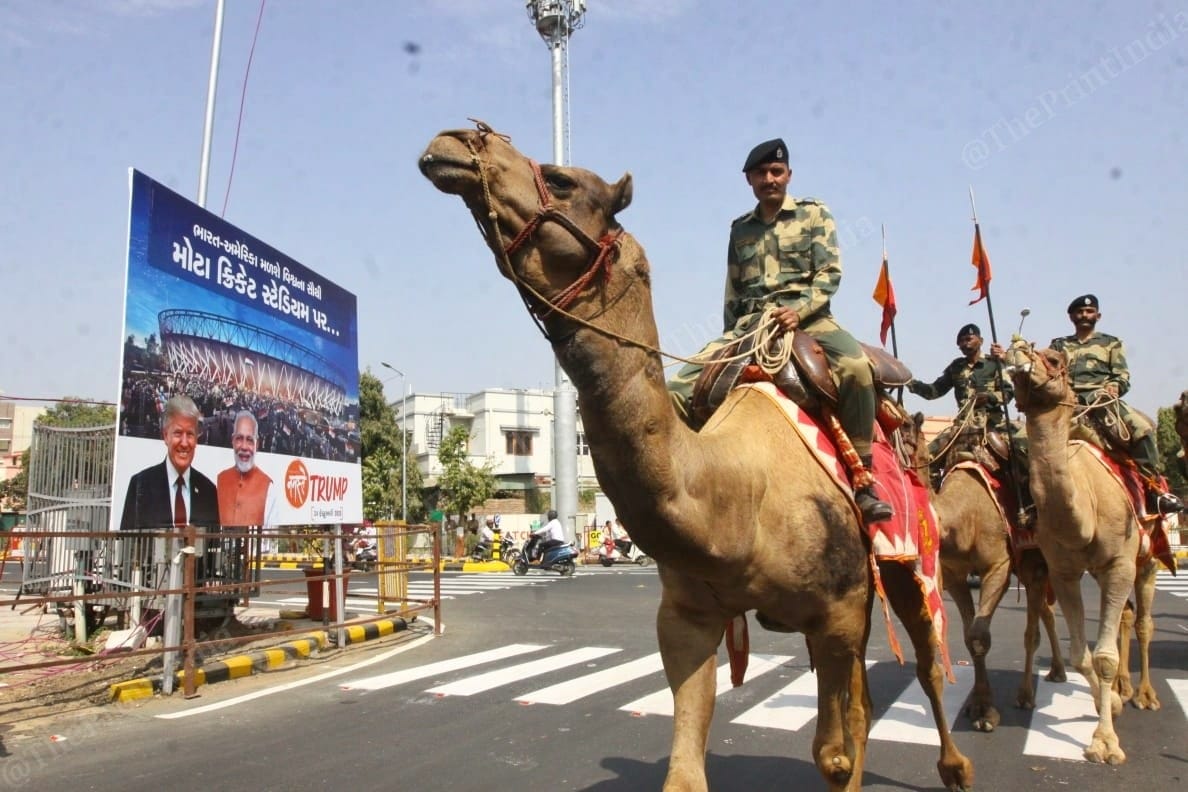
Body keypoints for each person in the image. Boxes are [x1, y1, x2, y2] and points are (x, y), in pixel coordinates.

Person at [667, 137, 892, 522]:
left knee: (856, 368)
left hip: (811, 319)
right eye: (761, 173)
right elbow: (733, 290)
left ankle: (863, 479)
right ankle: (684, 485)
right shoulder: (740, 230)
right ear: (749, 180)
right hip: (751, 325)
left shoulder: (813, 214)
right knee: (675, 389)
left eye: (776, 171)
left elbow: (829, 273)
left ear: (788, 175)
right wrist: (728, 342)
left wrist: (799, 310)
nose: (769, 179)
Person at [1050, 294, 1185, 514]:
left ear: (1098, 315)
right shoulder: (1059, 344)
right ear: (1071, 316)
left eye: (1089, 311)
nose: (1084, 315)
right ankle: (1029, 500)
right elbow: (1049, 371)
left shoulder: (1110, 342)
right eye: (1080, 312)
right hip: (1068, 404)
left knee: (1143, 430)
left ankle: (1154, 492)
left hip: (1102, 401)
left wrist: (1114, 387)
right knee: (1025, 439)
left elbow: (1122, 376)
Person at [216, 410, 277, 529]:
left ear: (257, 444)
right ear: (232, 441)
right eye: (239, 438)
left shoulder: (269, 488)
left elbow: (269, 536)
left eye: (249, 440)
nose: (244, 447)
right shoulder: (219, 479)